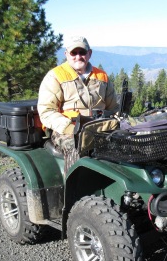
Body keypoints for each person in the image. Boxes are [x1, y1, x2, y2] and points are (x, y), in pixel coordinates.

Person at [38, 36, 119, 172]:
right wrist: (69, 128)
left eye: (82, 52)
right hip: (67, 129)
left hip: (99, 125)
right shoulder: (55, 76)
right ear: (66, 54)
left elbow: (113, 108)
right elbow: (47, 111)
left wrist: (121, 121)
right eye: (73, 53)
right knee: (76, 146)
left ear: (89, 53)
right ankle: (75, 190)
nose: (78, 57)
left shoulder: (102, 76)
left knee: (126, 142)